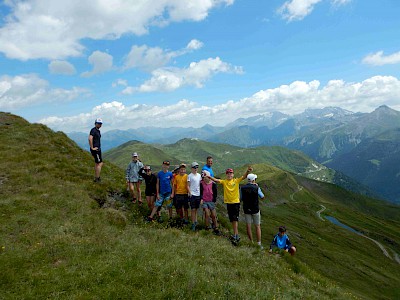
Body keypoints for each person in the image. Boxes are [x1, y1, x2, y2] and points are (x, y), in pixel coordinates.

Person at [208, 166, 252, 245]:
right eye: (228, 173)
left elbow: (244, 177)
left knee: (235, 220)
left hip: (235, 203)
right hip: (229, 203)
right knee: (232, 220)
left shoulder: (236, 181)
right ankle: (235, 234)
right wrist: (209, 177)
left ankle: (236, 235)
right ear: (226, 175)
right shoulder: (224, 182)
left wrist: (248, 171)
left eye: (231, 173)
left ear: (233, 174)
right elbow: (217, 180)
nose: (229, 175)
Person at [240, 173, 265, 249]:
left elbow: (240, 199)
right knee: (257, 226)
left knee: (248, 226)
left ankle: (251, 242)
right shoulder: (256, 187)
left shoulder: (242, 188)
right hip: (255, 209)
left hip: (246, 209)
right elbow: (262, 197)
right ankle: (258, 244)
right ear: (253, 180)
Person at [88, 118, 103, 182]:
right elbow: (90, 138)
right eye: (98, 123)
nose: (100, 125)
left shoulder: (98, 130)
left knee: (98, 163)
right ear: (95, 123)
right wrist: (92, 148)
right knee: (99, 163)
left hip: (98, 149)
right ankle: (97, 178)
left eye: (100, 123)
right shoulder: (93, 130)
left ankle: (96, 176)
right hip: (96, 150)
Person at [188, 162, 202, 231]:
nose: (196, 169)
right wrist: (190, 193)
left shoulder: (199, 175)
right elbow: (187, 185)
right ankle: (193, 223)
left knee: (196, 209)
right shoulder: (189, 176)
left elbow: (200, 185)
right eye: (194, 167)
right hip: (192, 194)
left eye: (197, 167)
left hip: (198, 194)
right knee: (193, 209)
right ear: (192, 168)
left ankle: (195, 221)